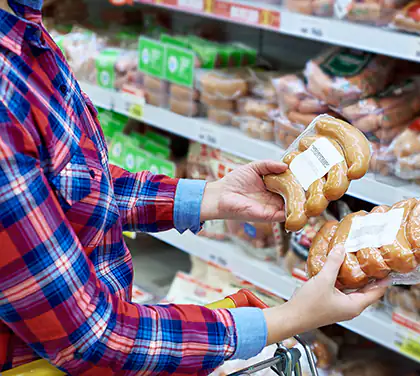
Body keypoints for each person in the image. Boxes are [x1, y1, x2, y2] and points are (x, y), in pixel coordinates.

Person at [0, 0, 388, 374]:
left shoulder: (23, 28)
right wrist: (289, 318)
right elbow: (94, 340)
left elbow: (70, 185)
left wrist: (210, 197)